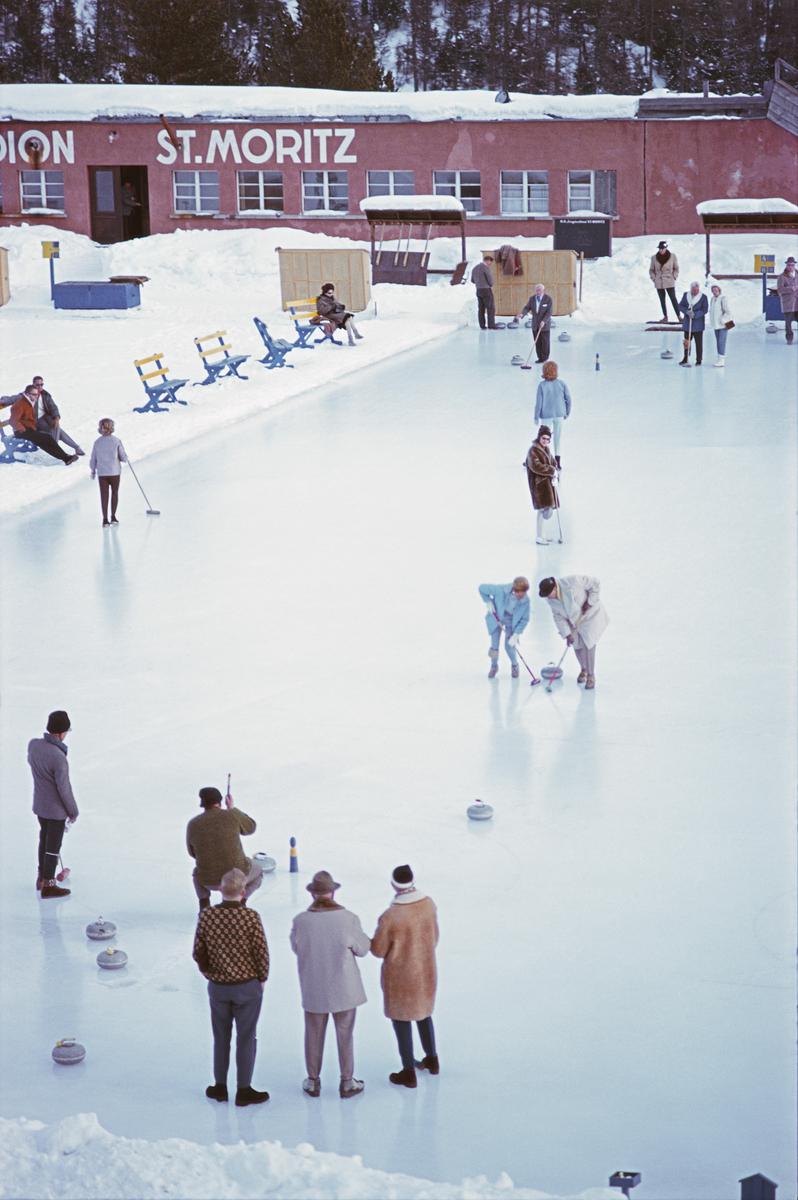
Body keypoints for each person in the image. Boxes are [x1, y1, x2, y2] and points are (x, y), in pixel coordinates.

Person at [193, 867, 270, 1106]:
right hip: (247, 986)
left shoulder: (207, 916)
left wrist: (209, 973)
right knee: (247, 1037)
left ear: (220, 889)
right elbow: (261, 952)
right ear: (243, 891)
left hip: (218, 987)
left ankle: (220, 1087)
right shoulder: (250, 917)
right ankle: (244, 1089)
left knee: (221, 1037)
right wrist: (262, 978)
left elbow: (198, 952)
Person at [290, 870, 371, 1099]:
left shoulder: (300, 921)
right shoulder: (348, 919)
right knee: (345, 1034)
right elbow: (363, 949)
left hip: (314, 986)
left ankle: (313, 1080)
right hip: (344, 988)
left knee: (313, 1033)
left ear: (313, 894)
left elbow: (296, 948)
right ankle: (347, 1082)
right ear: (333, 892)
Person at [371, 864, 439, 1089]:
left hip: (401, 977)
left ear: (393, 884)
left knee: (401, 1020)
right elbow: (435, 937)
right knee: (423, 1014)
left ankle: (408, 1070)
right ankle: (432, 1059)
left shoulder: (391, 916)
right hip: (426, 971)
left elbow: (379, 950)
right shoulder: (428, 905)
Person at [186, 786, 263, 912]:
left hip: (209, 880)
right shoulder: (231, 815)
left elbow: (192, 852)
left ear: (202, 803)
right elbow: (251, 828)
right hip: (237, 877)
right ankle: (240, 902)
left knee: (196, 873)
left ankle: (204, 903)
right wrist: (232, 808)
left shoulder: (193, 824)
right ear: (220, 801)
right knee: (259, 871)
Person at [28, 710, 78, 898]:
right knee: (53, 847)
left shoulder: (33, 746)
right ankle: (49, 885)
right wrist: (73, 811)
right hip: (56, 810)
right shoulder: (58, 757)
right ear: (60, 732)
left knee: (44, 840)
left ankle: (41, 878)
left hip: (40, 805)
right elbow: (64, 789)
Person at [538, 575, 609, 690]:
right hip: (573, 621)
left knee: (588, 644)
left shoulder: (574, 582)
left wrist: (590, 602)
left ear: (555, 588)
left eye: (548, 594)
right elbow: (558, 616)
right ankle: (584, 669)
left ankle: (591, 676)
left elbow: (595, 583)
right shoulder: (550, 600)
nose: (548, 598)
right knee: (576, 645)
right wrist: (567, 634)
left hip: (589, 615)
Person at [0, 385, 78, 463]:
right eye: (34, 394)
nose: (36, 396)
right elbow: (13, 421)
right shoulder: (20, 404)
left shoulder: (29, 402)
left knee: (45, 440)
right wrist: (22, 429)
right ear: (27, 394)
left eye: (37, 394)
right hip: (21, 431)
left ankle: (66, 458)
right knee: (46, 438)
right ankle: (66, 458)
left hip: (29, 429)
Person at [478, 577, 530, 679]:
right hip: (497, 618)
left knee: (509, 646)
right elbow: (481, 588)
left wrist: (516, 634)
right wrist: (488, 601)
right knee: (494, 646)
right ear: (514, 590)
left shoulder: (526, 601)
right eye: (519, 593)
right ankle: (494, 666)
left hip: (511, 622)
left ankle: (515, 665)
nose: (522, 595)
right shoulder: (500, 590)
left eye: (524, 592)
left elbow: (524, 619)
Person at [31, 375, 85, 456]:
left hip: (44, 419)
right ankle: (58, 450)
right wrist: (4, 401)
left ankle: (66, 448)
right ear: (33, 385)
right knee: (56, 429)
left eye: (41, 384)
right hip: (34, 422)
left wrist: (56, 417)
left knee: (56, 426)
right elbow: (14, 399)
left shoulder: (45, 395)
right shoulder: (28, 394)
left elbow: (53, 407)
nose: (40, 387)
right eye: (37, 385)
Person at [526, 425, 560, 545]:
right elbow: (536, 466)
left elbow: (553, 462)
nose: (545, 441)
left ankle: (542, 535)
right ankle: (539, 537)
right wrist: (551, 470)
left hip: (547, 484)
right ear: (539, 437)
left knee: (547, 509)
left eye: (548, 439)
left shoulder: (546, 449)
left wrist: (555, 470)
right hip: (538, 485)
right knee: (542, 510)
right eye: (543, 438)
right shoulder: (533, 450)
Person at [90, 418, 128, 528]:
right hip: (115, 472)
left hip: (102, 473)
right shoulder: (116, 441)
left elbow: (93, 459)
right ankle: (113, 517)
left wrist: (93, 470)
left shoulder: (97, 442)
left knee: (104, 496)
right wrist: (125, 458)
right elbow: (123, 457)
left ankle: (105, 520)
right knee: (115, 493)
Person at [534, 361, 571, 467]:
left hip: (546, 416)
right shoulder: (561, 383)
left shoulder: (542, 385)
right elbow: (568, 399)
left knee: (543, 438)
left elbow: (539, 403)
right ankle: (557, 462)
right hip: (560, 414)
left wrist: (536, 416)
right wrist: (567, 411)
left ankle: (538, 459)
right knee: (557, 438)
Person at [648, 240, 681, 321]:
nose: (661, 250)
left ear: (666, 248)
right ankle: (665, 317)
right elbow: (651, 270)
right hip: (659, 282)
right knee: (662, 300)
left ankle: (679, 316)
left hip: (669, 280)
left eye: (663, 248)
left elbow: (676, 268)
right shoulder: (654, 258)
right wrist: (654, 278)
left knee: (673, 299)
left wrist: (674, 276)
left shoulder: (672, 256)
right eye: (660, 248)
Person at [678, 282, 708, 366]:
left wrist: (695, 314)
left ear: (698, 289)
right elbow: (680, 306)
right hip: (688, 324)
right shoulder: (686, 295)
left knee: (699, 343)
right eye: (693, 290)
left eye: (696, 290)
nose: (694, 291)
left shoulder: (703, 297)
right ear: (690, 289)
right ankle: (685, 358)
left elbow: (705, 309)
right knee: (687, 342)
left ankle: (699, 360)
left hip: (698, 325)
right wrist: (687, 312)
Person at [708, 285, 733, 367]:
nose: (715, 292)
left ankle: (722, 360)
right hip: (716, 325)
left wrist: (722, 320)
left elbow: (728, 311)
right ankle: (719, 359)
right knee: (718, 342)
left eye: (716, 290)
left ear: (719, 290)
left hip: (723, 325)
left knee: (721, 342)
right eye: (713, 290)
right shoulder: (712, 299)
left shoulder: (723, 298)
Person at [470, 253, 497, 330]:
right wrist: (490, 284)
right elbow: (490, 281)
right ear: (488, 261)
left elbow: (472, 280)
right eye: (490, 263)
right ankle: (491, 325)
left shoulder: (474, 268)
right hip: (486, 290)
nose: (490, 265)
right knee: (490, 308)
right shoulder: (485, 268)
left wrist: (479, 283)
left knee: (481, 308)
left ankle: (482, 325)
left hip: (478, 290)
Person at [776, 256, 797, 344]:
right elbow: (780, 290)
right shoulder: (781, 277)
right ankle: (789, 339)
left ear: (794, 265)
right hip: (788, 303)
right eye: (789, 265)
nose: (791, 267)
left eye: (792, 265)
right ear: (786, 265)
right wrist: (791, 289)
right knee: (788, 324)